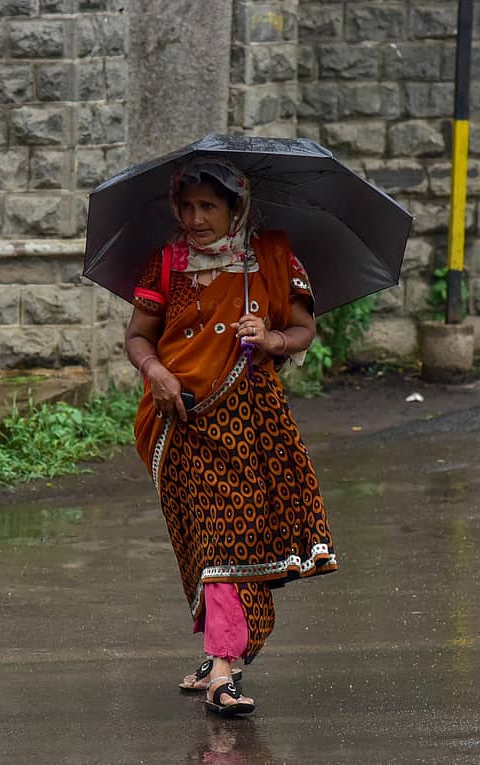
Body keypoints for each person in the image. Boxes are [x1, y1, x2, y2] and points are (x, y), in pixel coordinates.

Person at [125, 156, 337, 716]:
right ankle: (222, 655)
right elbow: (139, 337)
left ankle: (223, 668)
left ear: (235, 207)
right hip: (184, 421)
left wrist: (271, 340)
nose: (196, 219)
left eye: (209, 207)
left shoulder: (270, 258)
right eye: (187, 206)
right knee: (207, 540)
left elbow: (304, 329)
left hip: (252, 423)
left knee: (235, 539)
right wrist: (157, 374)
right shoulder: (166, 263)